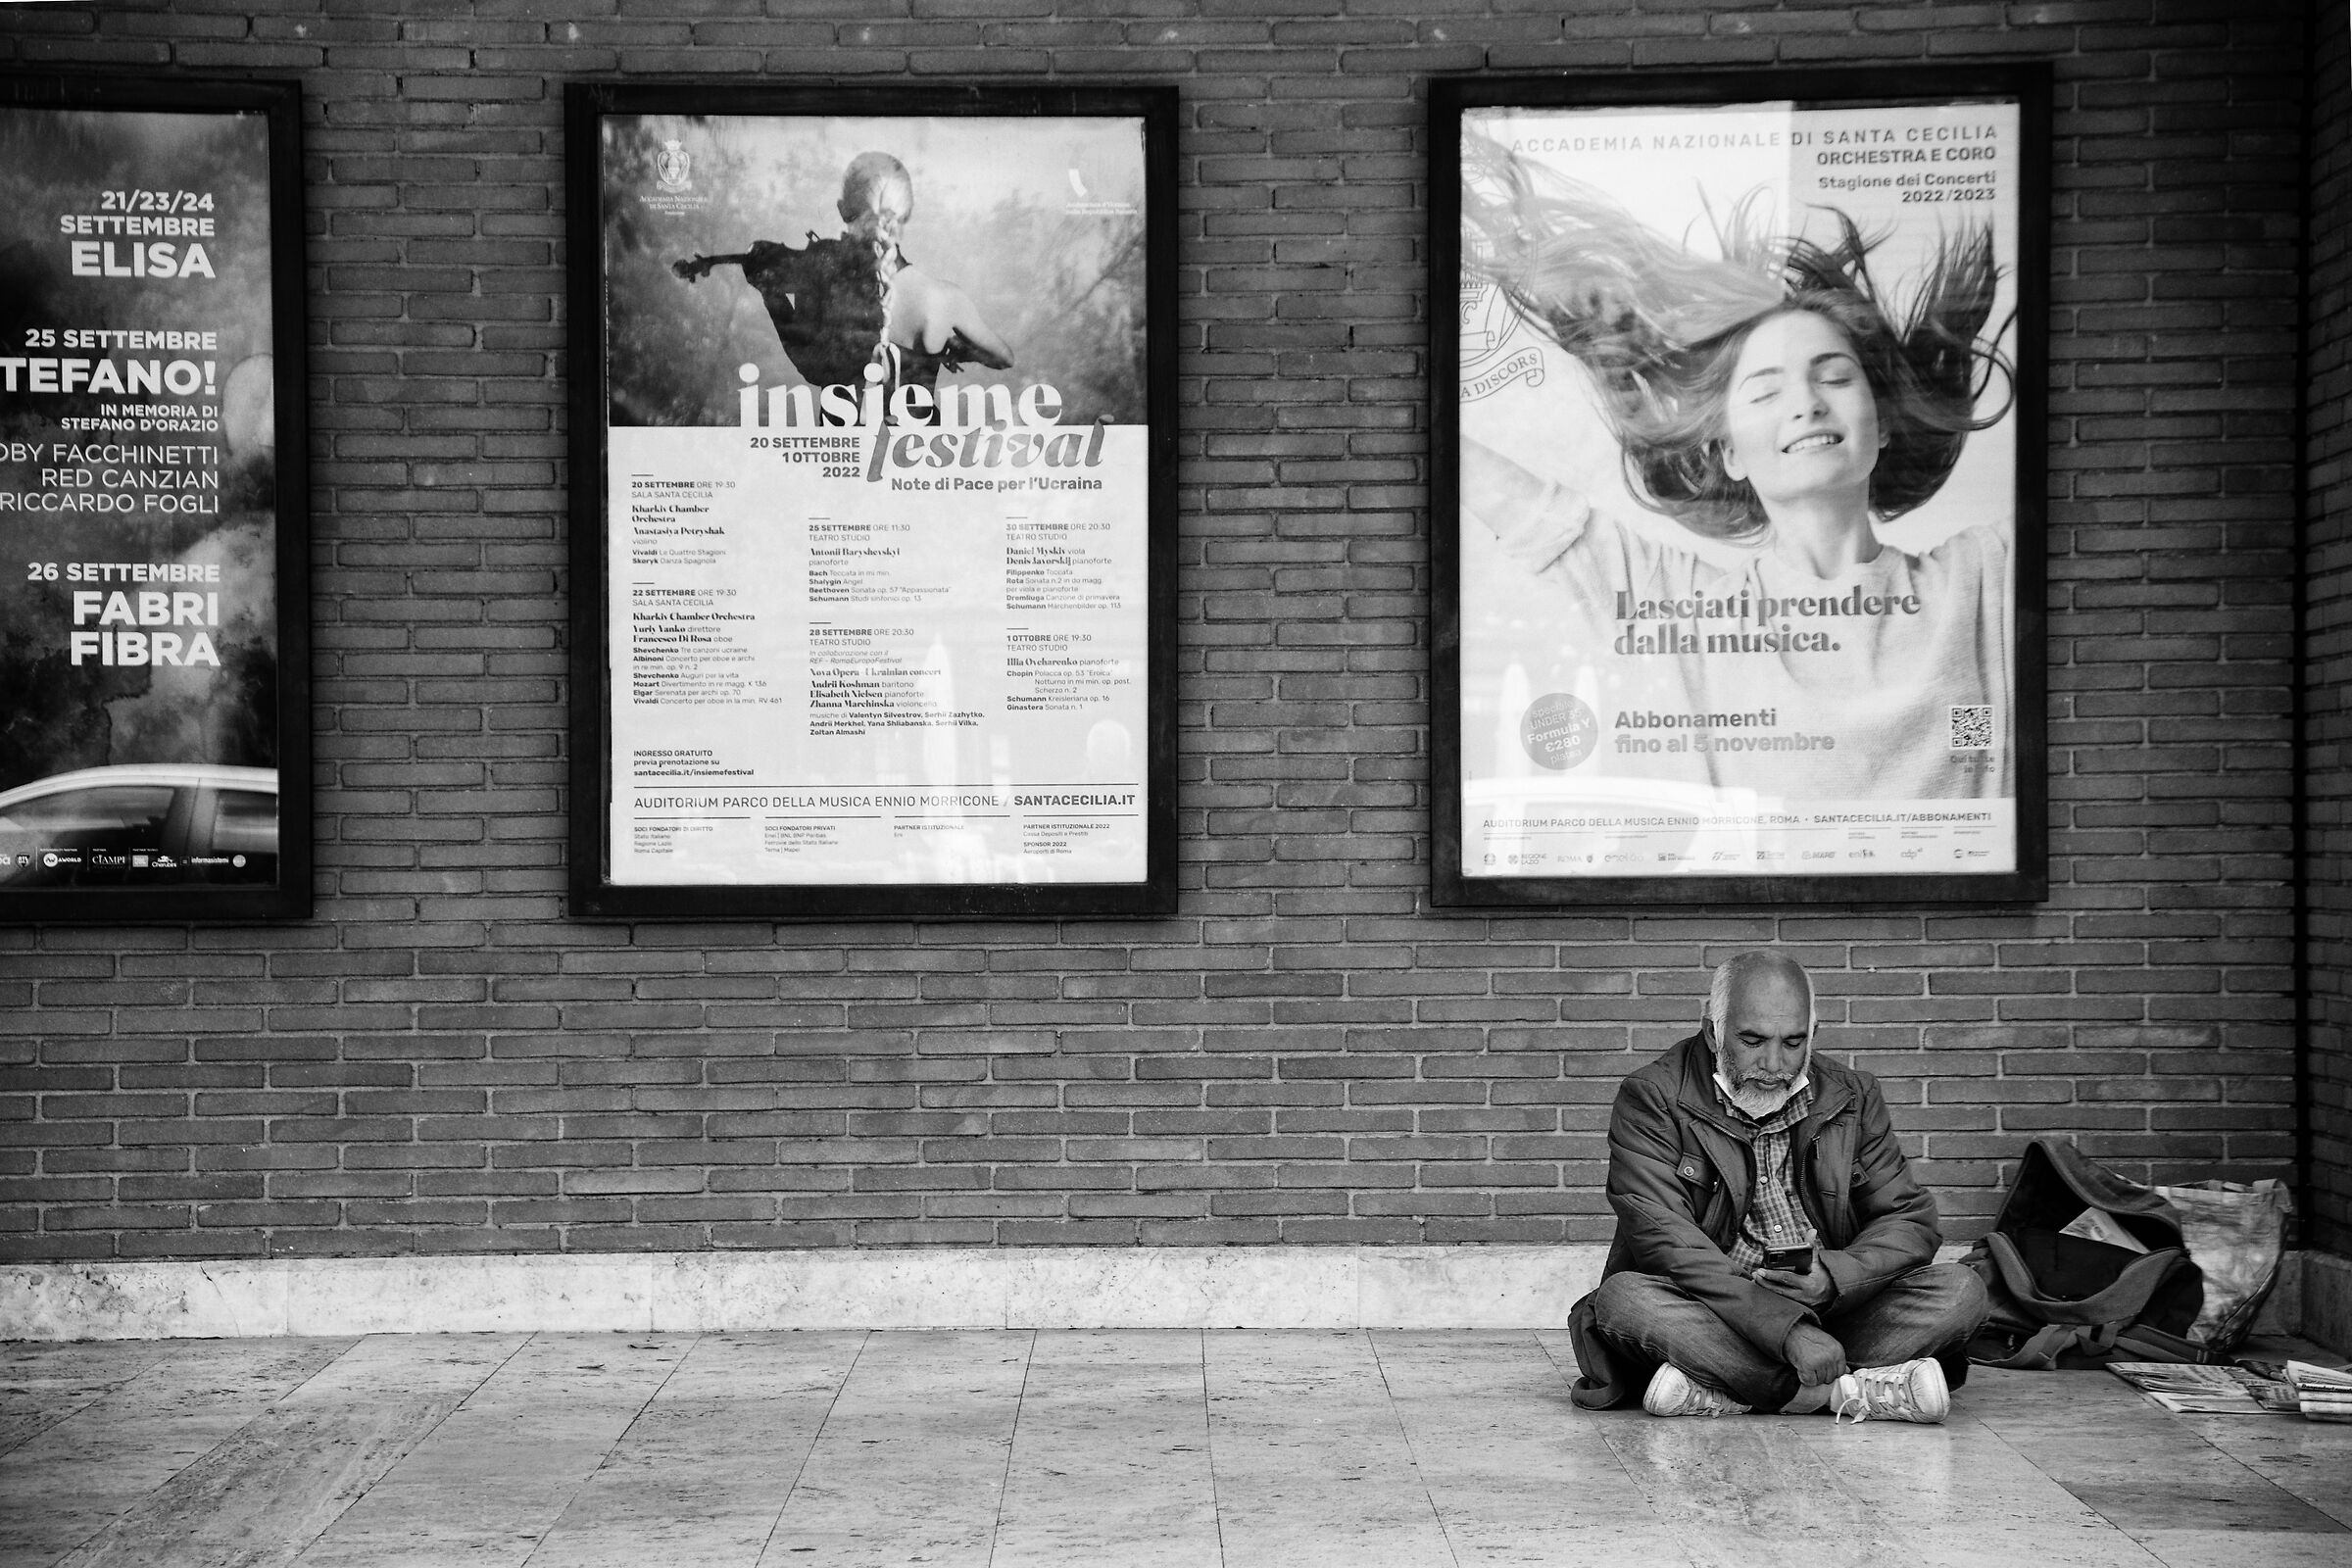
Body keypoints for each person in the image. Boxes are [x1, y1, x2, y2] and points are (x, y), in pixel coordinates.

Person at [1460, 140, 2014, 800]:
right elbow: (1524, 507)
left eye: (1834, 377)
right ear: (1729, 453)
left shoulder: (1982, 579)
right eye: (1765, 392)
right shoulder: (1683, 610)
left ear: (1884, 421)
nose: (1806, 403)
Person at [1565, 951, 1989, 1422]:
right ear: (1713, 1031)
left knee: (1962, 1289)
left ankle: (1727, 1385)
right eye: (1752, 1040)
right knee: (1625, 1299)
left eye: (1793, 1043)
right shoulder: (1654, 1098)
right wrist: (1786, 1331)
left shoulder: (1852, 1095)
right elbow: (1667, 1244)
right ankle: (1840, 1392)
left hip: (1831, 1306)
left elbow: (1908, 1219)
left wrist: (1833, 1279)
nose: (1773, 1063)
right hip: (1717, 1311)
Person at [672, 151, 1014, 414]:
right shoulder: (944, 297)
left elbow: (812, 368)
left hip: (846, 467)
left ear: (841, 210)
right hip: (920, 464)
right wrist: (951, 351)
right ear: (905, 214)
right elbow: (1004, 358)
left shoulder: (826, 278)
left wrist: (770, 291)